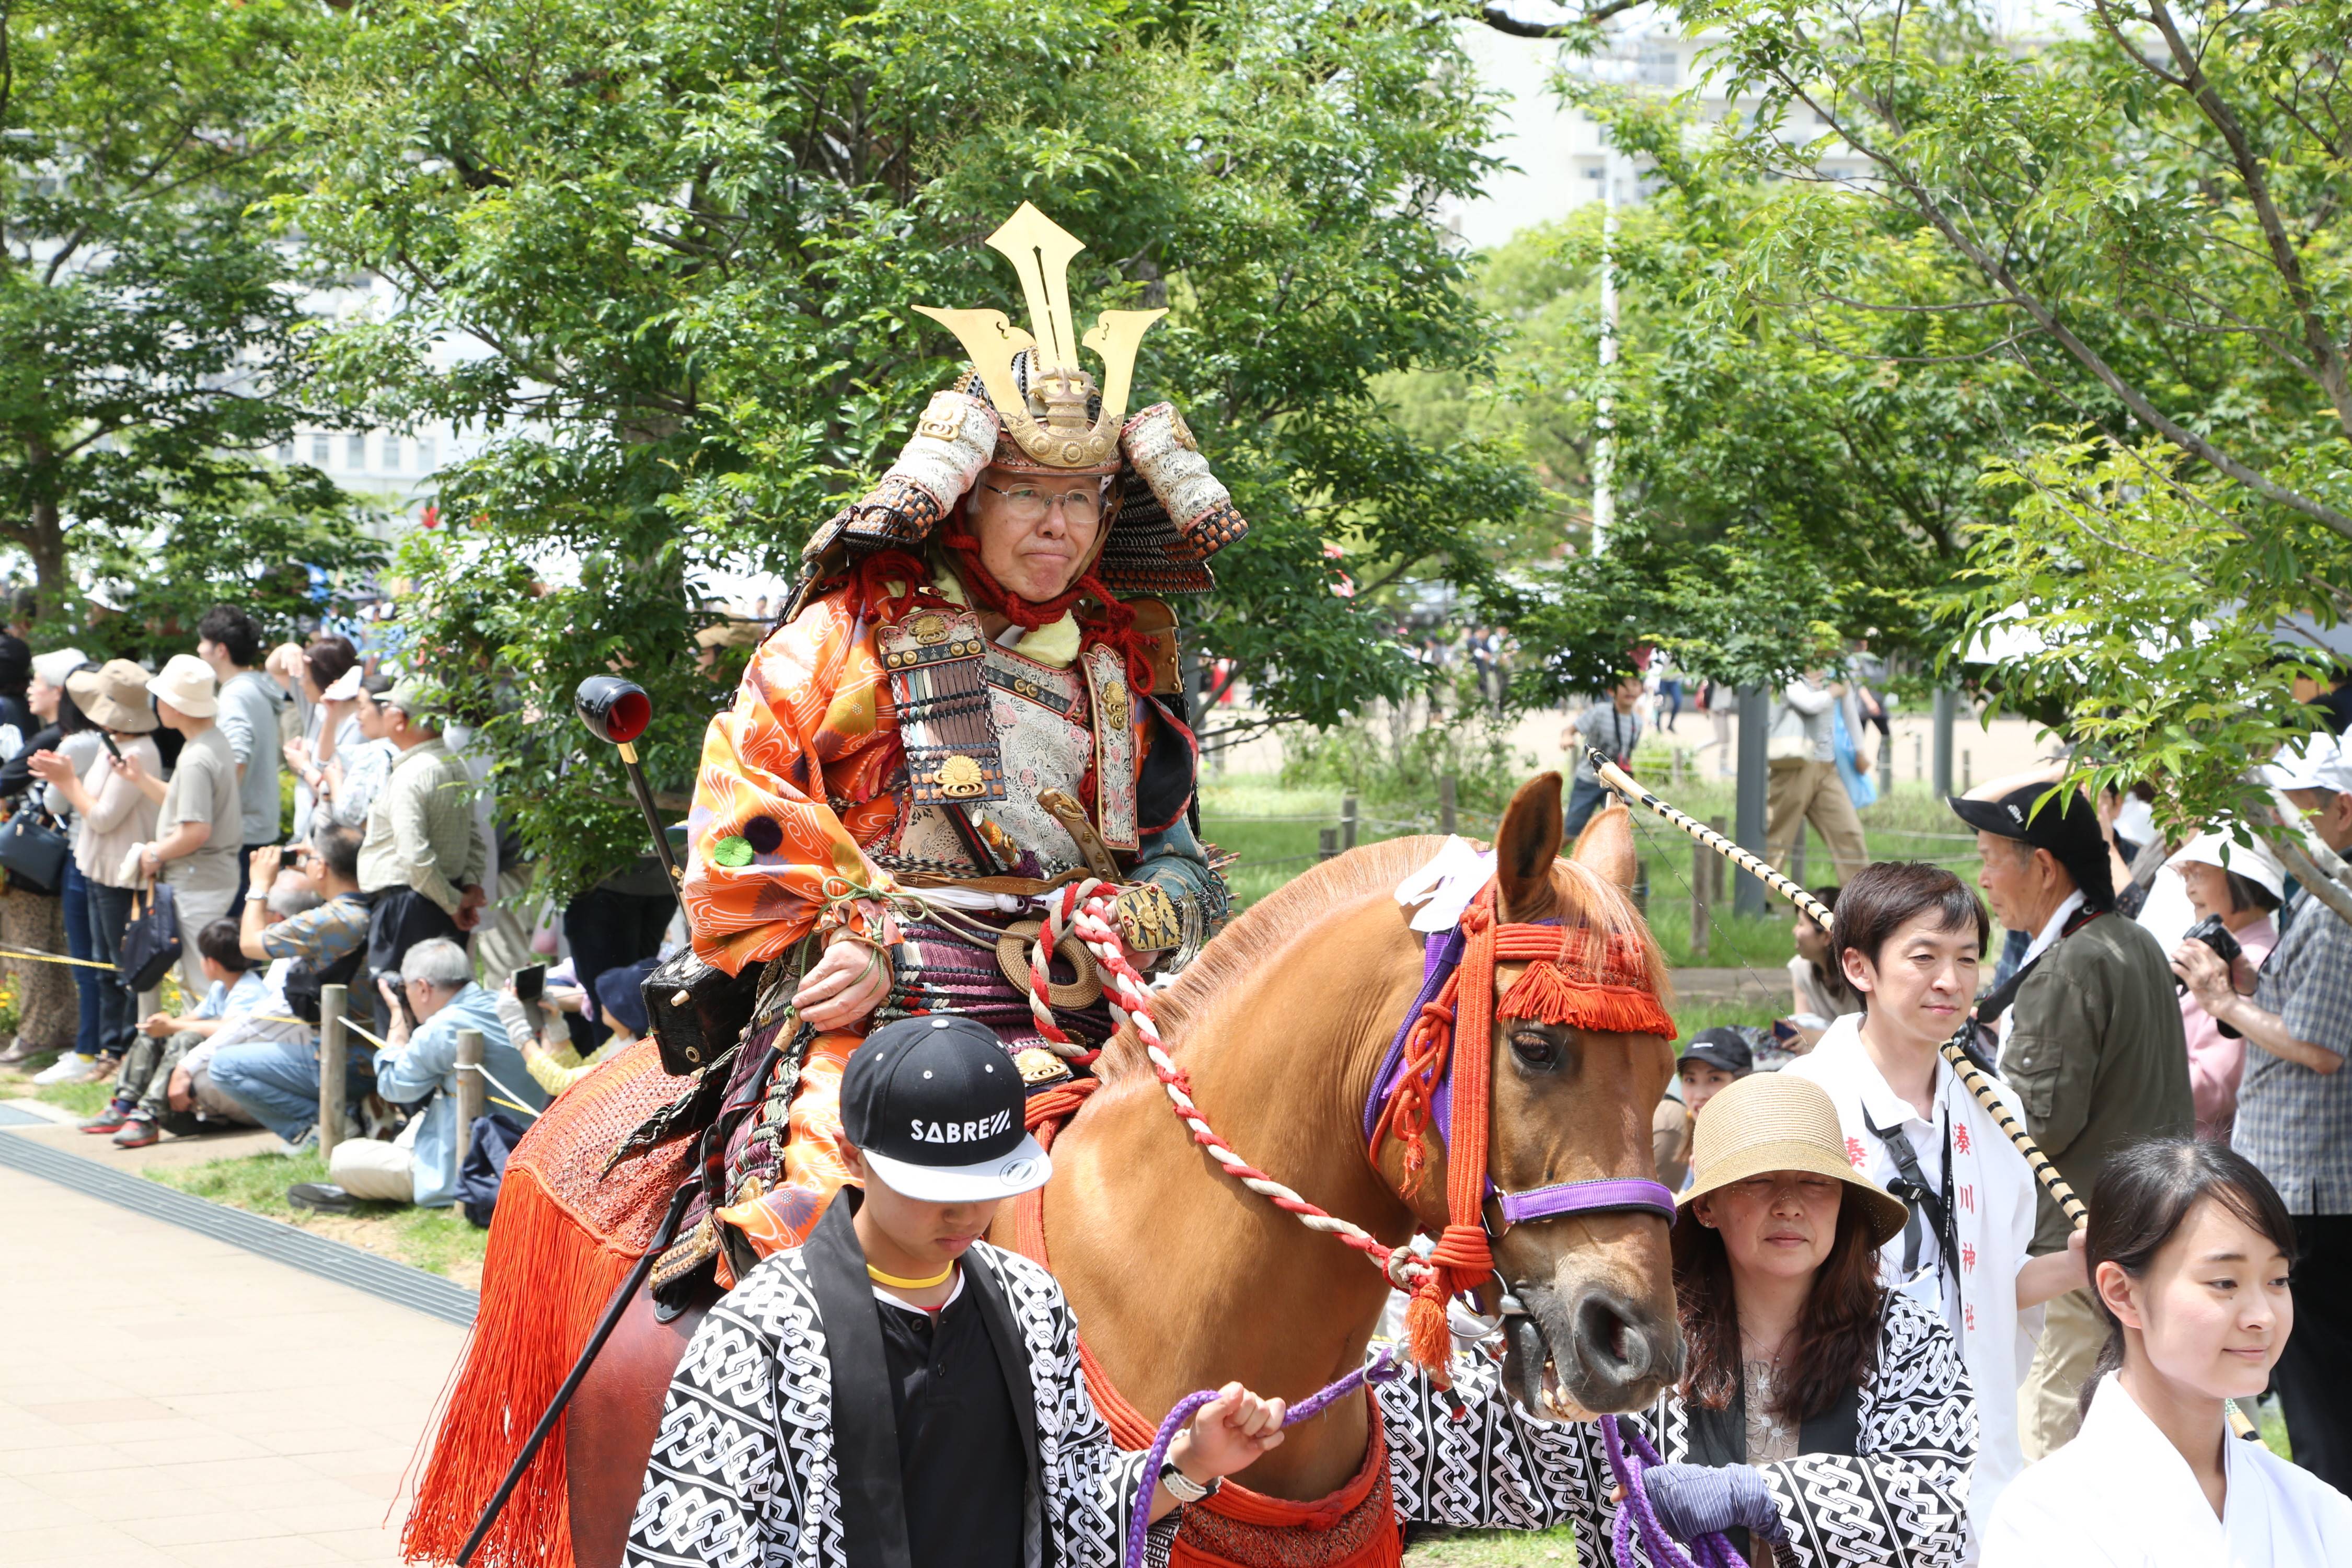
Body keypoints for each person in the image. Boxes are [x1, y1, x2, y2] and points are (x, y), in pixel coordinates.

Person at [679, 226, 1237, 1262]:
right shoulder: (846, 639)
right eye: (1028, 492)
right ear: (968, 500)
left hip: (1090, 1000)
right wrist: (840, 936)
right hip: (891, 998)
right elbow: (731, 827)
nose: (1055, 525)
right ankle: (777, 1395)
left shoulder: (1116, 664)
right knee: (818, 1218)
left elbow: (1179, 857)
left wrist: (1141, 909)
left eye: (1078, 500)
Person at [626, 1014, 1295, 1568]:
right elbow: (686, 1551)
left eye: (985, 1187)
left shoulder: (1031, 1302)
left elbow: (1079, 1511)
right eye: (935, 1190)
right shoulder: (762, 1330)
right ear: (851, 1157)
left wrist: (1191, 1460)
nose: (966, 1217)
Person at [1375, 1069, 1976, 1567]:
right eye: (1760, 1181)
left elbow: (1937, 1508)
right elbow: (1476, 1453)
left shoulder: (1905, 1336)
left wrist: (1753, 1494)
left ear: (1845, 1204)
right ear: (1708, 1206)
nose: (1790, 1204)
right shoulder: (1637, 1337)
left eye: (1817, 1183)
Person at [1787, 860, 2090, 1540]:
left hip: (1973, 1443)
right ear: (1860, 968)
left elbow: (1991, 1284)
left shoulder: (1997, 1111)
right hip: (1836, 1430)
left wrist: (2077, 1264)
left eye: (1967, 959)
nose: (1950, 981)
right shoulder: (1803, 1100)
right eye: (1923, 958)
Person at [1954, 778, 2194, 1457]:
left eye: (1990, 856)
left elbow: (2035, 1129)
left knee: (2051, 1425)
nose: (1984, 879)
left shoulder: (2067, 967)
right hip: (2152, 1223)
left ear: (2044, 865)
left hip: (2079, 1244)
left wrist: (1958, 1084)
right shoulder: (2132, 941)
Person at [1984, 1139, 2352, 1565]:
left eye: (2277, 1280)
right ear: (2122, 1293)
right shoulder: (2042, 1519)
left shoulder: (2316, 1508)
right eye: (2225, 1283)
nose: (2263, 1317)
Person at [2172, 736, 2352, 1491]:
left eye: (2309, 808)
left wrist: (2222, 1001)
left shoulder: (2341, 906)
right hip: (2297, 1180)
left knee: (2319, 1395)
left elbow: (2320, 1048)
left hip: (2314, 1185)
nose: (2299, 825)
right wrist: (2250, 989)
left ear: (2344, 809)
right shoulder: (2324, 897)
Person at [301, 938, 545, 1209]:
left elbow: (393, 1087)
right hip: (524, 1148)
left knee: (343, 1158)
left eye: (406, 988)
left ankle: (390, 1178)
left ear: (423, 988)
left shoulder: (443, 1027)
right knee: (418, 1119)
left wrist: (396, 1013)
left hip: (474, 1164)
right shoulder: (499, 1003)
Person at [20, 662, 163, 1073]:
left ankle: (123, 1053)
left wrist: (66, 781)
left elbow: (101, 817)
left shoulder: (141, 752)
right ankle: (108, 1052)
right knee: (102, 965)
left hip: (120, 873)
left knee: (121, 968)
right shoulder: (110, 743)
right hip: (96, 867)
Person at [204, 827, 376, 1148]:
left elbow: (250, 944)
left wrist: (259, 885)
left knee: (224, 1066)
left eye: (311, 858)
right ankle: (350, 1115)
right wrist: (313, 865)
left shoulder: (331, 921)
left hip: (347, 1062)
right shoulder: (379, 904)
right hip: (378, 1054)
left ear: (323, 867)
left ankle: (319, 1128)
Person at [355, 676, 488, 1028]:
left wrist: (454, 901)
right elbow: (474, 836)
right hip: (444, 898)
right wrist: (466, 890)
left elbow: (414, 856)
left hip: (409, 905)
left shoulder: (412, 773)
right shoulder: (454, 764)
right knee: (444, 1009)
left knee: (401, 1007)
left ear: (399, 717)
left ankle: (409, 1082)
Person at [114, 654, 244, 1002]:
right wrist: (140, 779)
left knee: (201, 986)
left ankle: (209, 1056)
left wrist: (154, 852)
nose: (156, 703)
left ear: (177, 706)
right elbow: (188, 803)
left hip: (198, 879)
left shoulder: (197, 756)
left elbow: (197, 830)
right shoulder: (212, 742)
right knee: (199, 981)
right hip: (210, 876)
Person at [82, 918, 265, 1148]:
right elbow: (195, 1017)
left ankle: (149, 1114)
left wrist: (175, 1027)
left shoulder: (249, 990)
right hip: (212, 1064)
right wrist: (164, 1024)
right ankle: (125, 1104)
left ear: (212, 963)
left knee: (185, 1037)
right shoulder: (222, 987)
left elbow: (229, 1030)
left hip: (239, 1077)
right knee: (157, 1034)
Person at [3, 648, 94, 1079]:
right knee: (56, 946)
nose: (29, 688)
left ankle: (35, 1032)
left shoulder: (51, 739)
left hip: (32, 859)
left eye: (38, 682)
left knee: (30, 945)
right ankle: (62, 1028)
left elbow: (7, 780)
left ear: (59, 691)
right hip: (59, 857)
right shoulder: (74, 735)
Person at [2163, 833, 2284, 1142]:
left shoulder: (2251, 961)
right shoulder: (2233, 952)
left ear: (2240, 879)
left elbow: (2212, 1088)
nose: (2190, 889)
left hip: (2196, 1152)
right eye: (2187, 875)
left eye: (2199, 873)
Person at [197, 604, 285, 896]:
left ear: (220, 650)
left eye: (204, 643)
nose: (199, 649)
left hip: (241, 833)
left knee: (231, 933)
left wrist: (211, 819)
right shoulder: (258, 687)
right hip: (261, 827)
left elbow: (237, 759)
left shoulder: (235, 693)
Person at [1765, 671, 1869, 886]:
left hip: (1827, 767)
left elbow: (1850, 712)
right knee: (1777, 834)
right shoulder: (1785, 671)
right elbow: (1808, 703)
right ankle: (1759, 900)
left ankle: (1862, 903)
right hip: (1794, 766)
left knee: (1849, 832)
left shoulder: (1836, 671)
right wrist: (1833, 691)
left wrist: (1860, 751)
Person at [517, 955, 655, 1097]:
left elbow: (561, 1082)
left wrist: (518, 1031)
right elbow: (578, 1067)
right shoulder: (621, 1039)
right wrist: (555, 1022)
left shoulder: (630, 1059)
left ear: (628, 1017)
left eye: (613, 1000)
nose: (602, 1001)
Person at [1654, 1027, 1757, 1193]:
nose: (1699, 1095)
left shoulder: (1754, 1148)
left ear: (1743, 1081)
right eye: (1690, 1079)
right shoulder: (1702, 1140)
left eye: (1714, 1079)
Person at [282, 636, 361, 843]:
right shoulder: (321, 710)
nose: (300, 683)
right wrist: (290, 649)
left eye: (306, 678)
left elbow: (338, 792)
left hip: (332, 840)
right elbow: (326, 765)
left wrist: (303, 767)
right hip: (310, 832)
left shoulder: (359, 726)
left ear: (324, 679)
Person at [1562, 673, 1645, 837]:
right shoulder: (1600, 712)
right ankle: (1549, 860)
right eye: (1624, 685)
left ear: (1642, 690)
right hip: (1589, 779)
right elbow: (1570, 730)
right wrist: (1567, 737)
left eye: (1635, 684)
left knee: (1617, 833)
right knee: (1572, 830)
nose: (1630, 689)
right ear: (1611, 690)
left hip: (1616, 784)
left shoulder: (1638, 721)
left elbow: (1627, 755)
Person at [1788, 883, 1862, 1045]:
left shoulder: (1860, 978)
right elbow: (1803, 1022)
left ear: (1827, 937)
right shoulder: (1800, 968)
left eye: (1801, 924)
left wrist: (1820, 1038)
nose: (1794, 930)